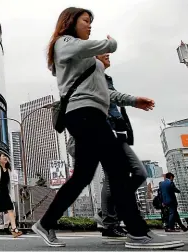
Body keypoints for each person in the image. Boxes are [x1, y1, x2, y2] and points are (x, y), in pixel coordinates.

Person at [31, 7, 184, 249]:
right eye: (86, 20)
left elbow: (105, 92)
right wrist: (109, 43)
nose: (90, 25)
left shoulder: (88, 61)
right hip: (83, 114)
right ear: (71, 21)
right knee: (118, 169)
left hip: (90, 114)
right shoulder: (64, 43)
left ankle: (46, 223)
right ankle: (137, 232)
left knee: (82, 176)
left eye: (91, 21)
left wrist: (134, 100)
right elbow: (90, 48)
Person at [88, 53, 148, 239]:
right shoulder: (92, 75)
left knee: (137, 174)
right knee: (116, 175)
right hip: (105, 130)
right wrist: (133, 100)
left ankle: (108, 213)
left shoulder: (106, 77)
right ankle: (109, 221)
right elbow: (106, 97)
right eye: (103, 52)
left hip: (117, 132)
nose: (108, 55)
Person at [0, 153, 22, 238]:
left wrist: (11, 194)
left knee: (10, 209)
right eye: (3, 156)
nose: (5, 158)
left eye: (6, 157)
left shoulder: (8, 170)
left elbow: (10, 184)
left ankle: (14, 229)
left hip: (5, 193)